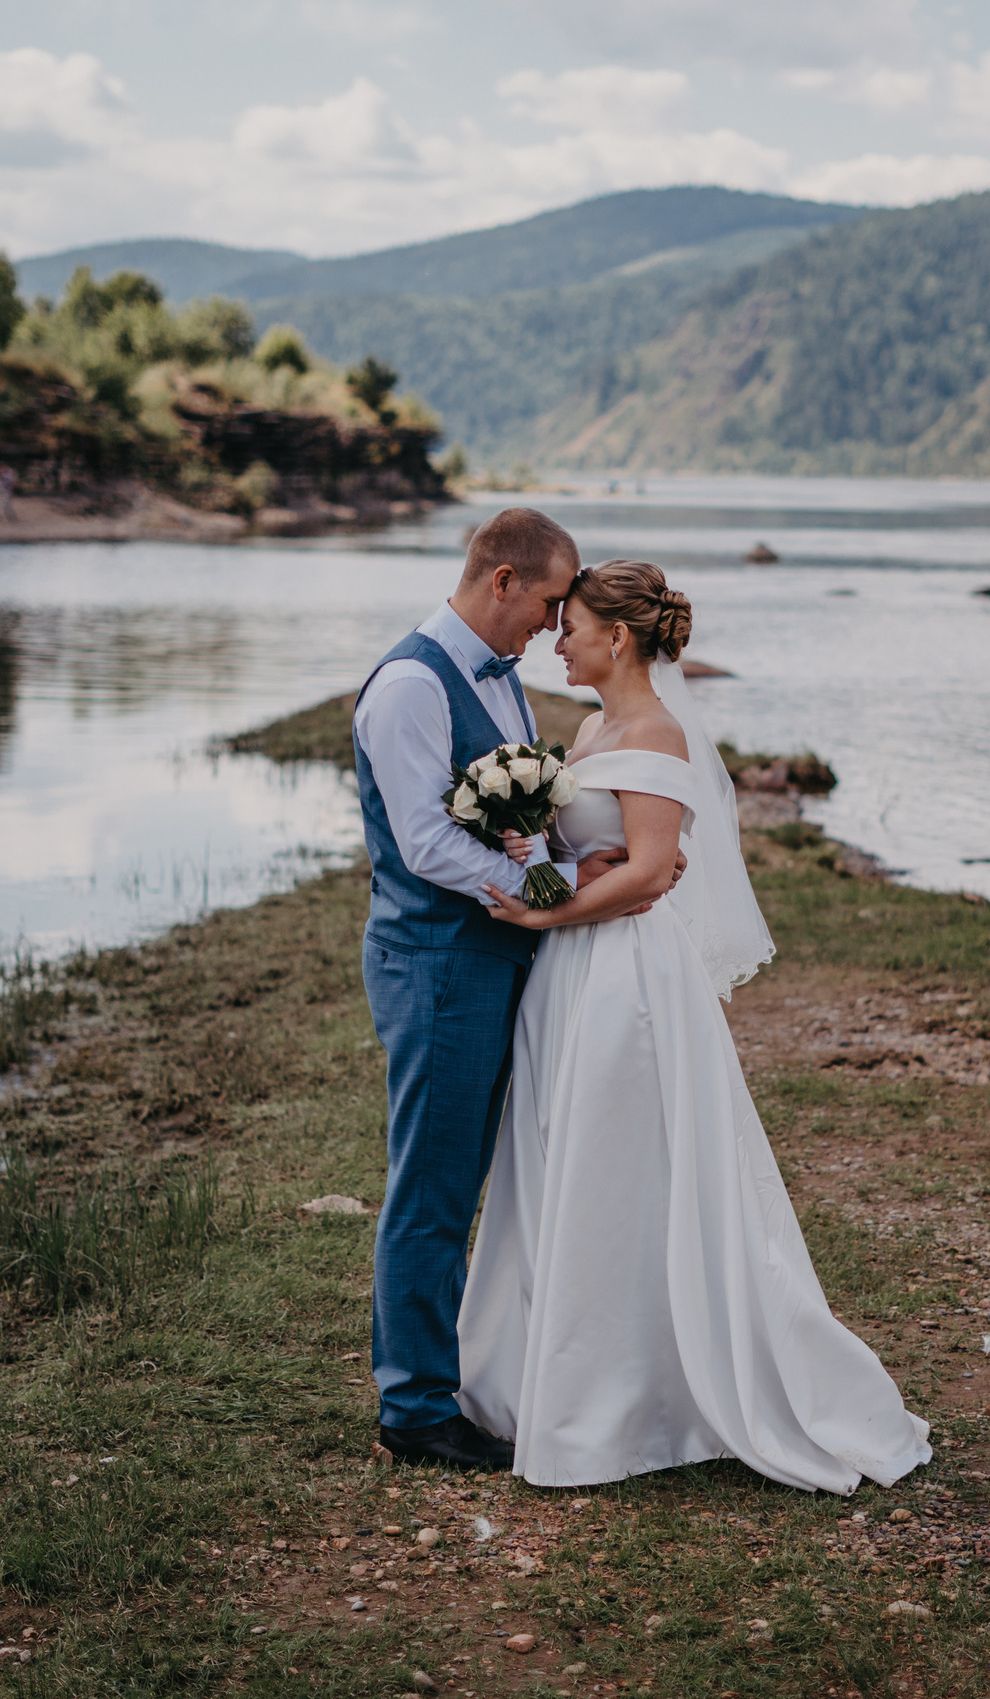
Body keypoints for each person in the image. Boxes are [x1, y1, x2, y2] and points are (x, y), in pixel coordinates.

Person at [457, 561, 931, 1493]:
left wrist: (539, 913)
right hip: (573, 972)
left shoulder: (659, 734)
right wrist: (533, 853)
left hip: (627, 978)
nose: (558, 639)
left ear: (617, 638)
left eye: (573, 626)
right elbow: (596, 856)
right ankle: (555, 1378)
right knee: (563, 1157)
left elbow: (646, 873)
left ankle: (630, 1401)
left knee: (622, 1168)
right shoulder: (592, 727)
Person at [349, 507, 581, 1471]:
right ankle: (412, 1408)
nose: (553, 625)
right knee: (434, 1184)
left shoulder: (504, 684)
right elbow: (429, 842)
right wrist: (564, 893)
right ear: (503, 582)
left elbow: (515, 822)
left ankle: (450, 1376)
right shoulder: (410, 686)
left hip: (490, 959)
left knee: (474, 1176)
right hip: (438, 963)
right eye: (549, 603)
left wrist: (577, 855)